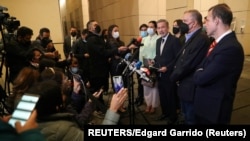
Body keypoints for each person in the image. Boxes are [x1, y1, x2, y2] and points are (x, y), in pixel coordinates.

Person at [193, 3, 244, 124]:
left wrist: (199, 71)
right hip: (205, 106)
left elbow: (201, 77)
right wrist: (200, 70)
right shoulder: (218, 43)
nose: (205, 24)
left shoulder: (230, 48)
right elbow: (201, 68)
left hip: (214, 111)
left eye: (207, 20)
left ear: (217, 21)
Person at [170, 9, 210, 125]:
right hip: (184, 87)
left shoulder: (201, 39)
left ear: (193, 23)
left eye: (184, 21)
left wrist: (171, 78)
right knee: (186, 117)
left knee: (191, 120)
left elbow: (188, 64)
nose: (182, 23)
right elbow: (180, 59)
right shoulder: (189, 37)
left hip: (191, 88)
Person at [85, 20, 127, 115]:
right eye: (95, 25)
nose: (98, 26)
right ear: (91, 28)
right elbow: (102, 52)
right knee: (97, 90)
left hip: (102, 69)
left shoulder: (97, 38)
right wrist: (117, 50)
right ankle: (98, 109)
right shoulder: (92, 39)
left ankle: (101, 107)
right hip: (97, 69)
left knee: (101, 89)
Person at [152, 19, 182, 124]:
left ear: (168, 28)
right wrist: (153, 61)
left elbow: (178, 58)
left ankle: (173, 117)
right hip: (159, 74)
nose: (160, 30)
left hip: (169, 74)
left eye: (163, 27)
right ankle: (164, 113)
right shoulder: (158, 41)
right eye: (159, 28)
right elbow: (158, 56)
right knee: (162, 96)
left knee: (171, 96)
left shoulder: (174, 40)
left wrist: (167, 67)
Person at [138, 20, 160, 114]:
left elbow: (159, 52)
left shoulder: (158, 38)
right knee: (146, 85)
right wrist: (140, 64)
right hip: (144, 64)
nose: (149, 29)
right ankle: (148, 104)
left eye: (152, 27)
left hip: (153, 64)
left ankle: (154, 105)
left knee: (153, 85)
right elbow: (141, 52)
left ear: (155, 28)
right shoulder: (144, 39)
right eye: (148, 27)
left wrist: (154, 62)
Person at [134, 23, 148, 107]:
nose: (143, 32)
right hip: (138, 63)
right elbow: (135, 52)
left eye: (145, 30)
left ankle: (147, 100)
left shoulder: (149, 40)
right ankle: (140, 98)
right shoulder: (138, 40)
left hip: (146, 63)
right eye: (142, 30)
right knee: (139, 82)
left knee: (145, 82)